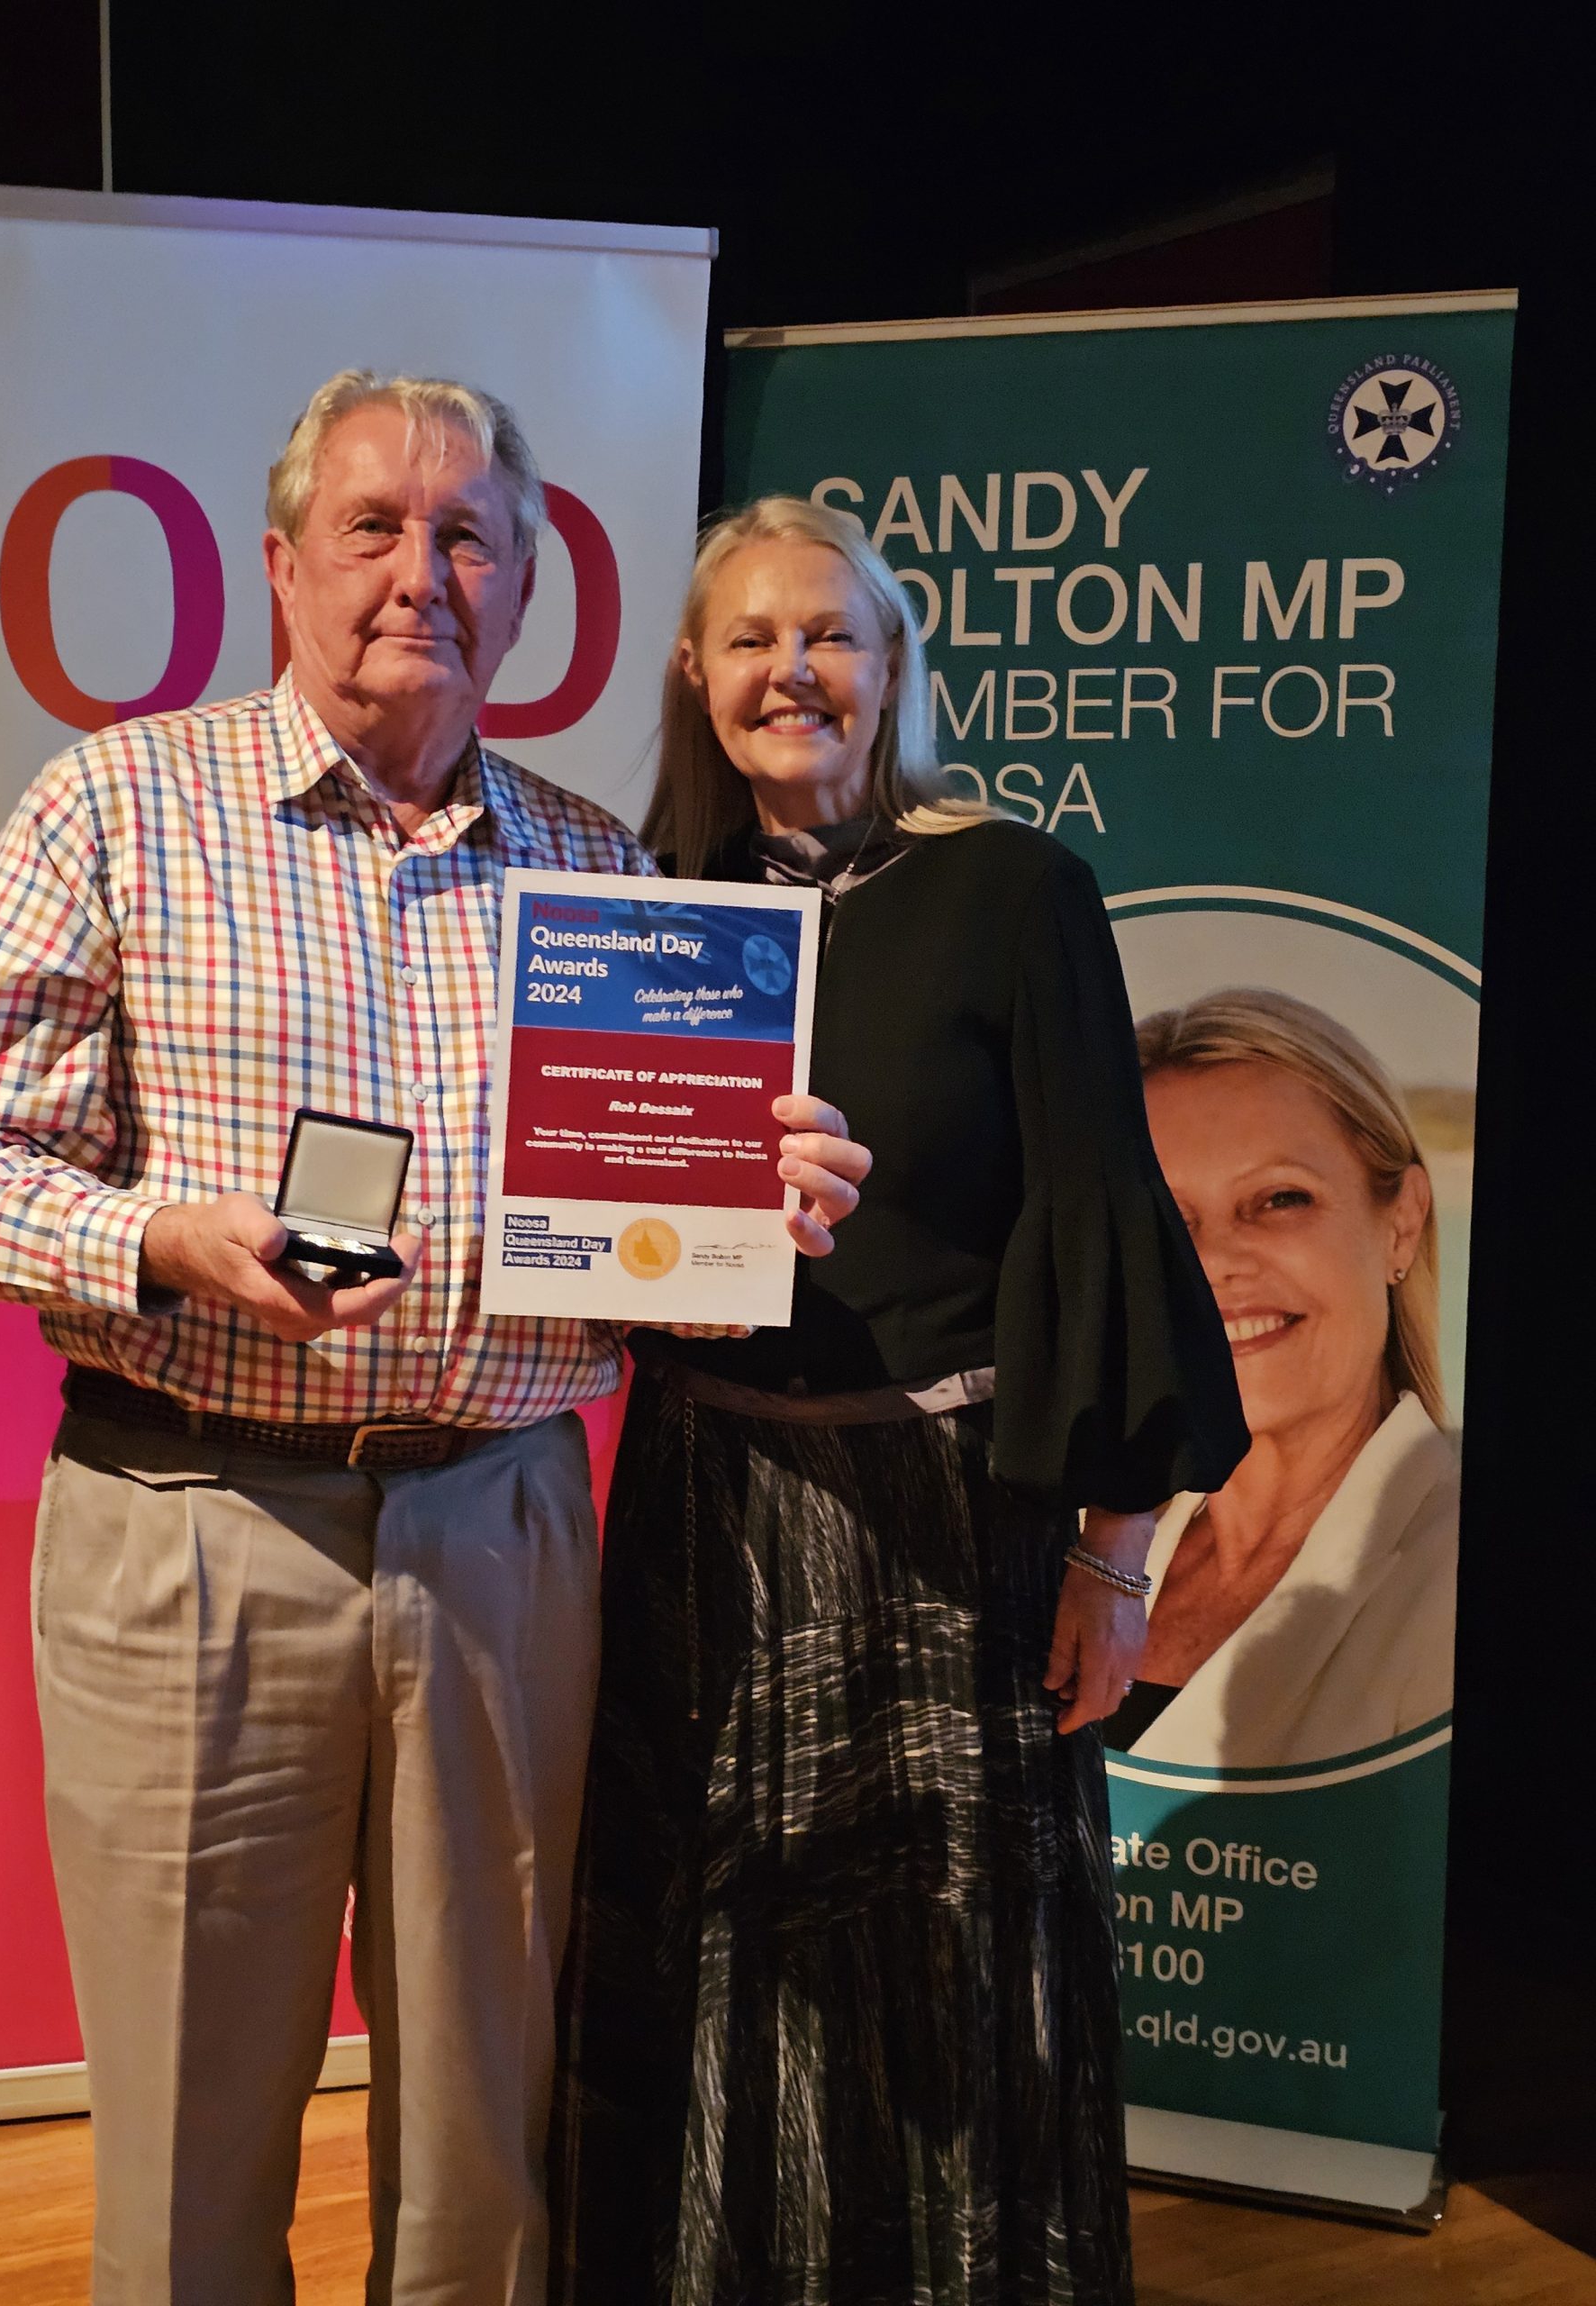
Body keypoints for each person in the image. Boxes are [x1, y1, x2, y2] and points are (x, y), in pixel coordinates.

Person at [0, 377, 867, 2306]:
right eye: (375, 527)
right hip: (193, 1526)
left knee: (490, 2133)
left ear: (524, 588)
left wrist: (753, 1199)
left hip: (504, 1532)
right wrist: (159, 1238)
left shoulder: (598, 872)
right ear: (280, 564)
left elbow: (642, 1252)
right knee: (186, 2134)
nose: (424, 571)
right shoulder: (116, 806)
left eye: (469, 536)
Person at [547, 496, 1247, 2306]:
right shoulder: (650, 916)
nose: (793, 672)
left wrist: (1113, 1556)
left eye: (831, 635)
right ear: (695, 676)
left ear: (894, 667)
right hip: (702, 1506)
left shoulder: (1018, 893)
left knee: (956, 1971)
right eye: (753, 639)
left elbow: (1101, 1221)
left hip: (948, 1520)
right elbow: (591, 1238)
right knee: (714, 1945)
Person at [1102, 989, 1458, 1768]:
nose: (1214, 1263)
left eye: (1280, 1200)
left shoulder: (1488, 1571)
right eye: (1167, 1221)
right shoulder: (1079, 1539)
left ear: (1401, 1223)